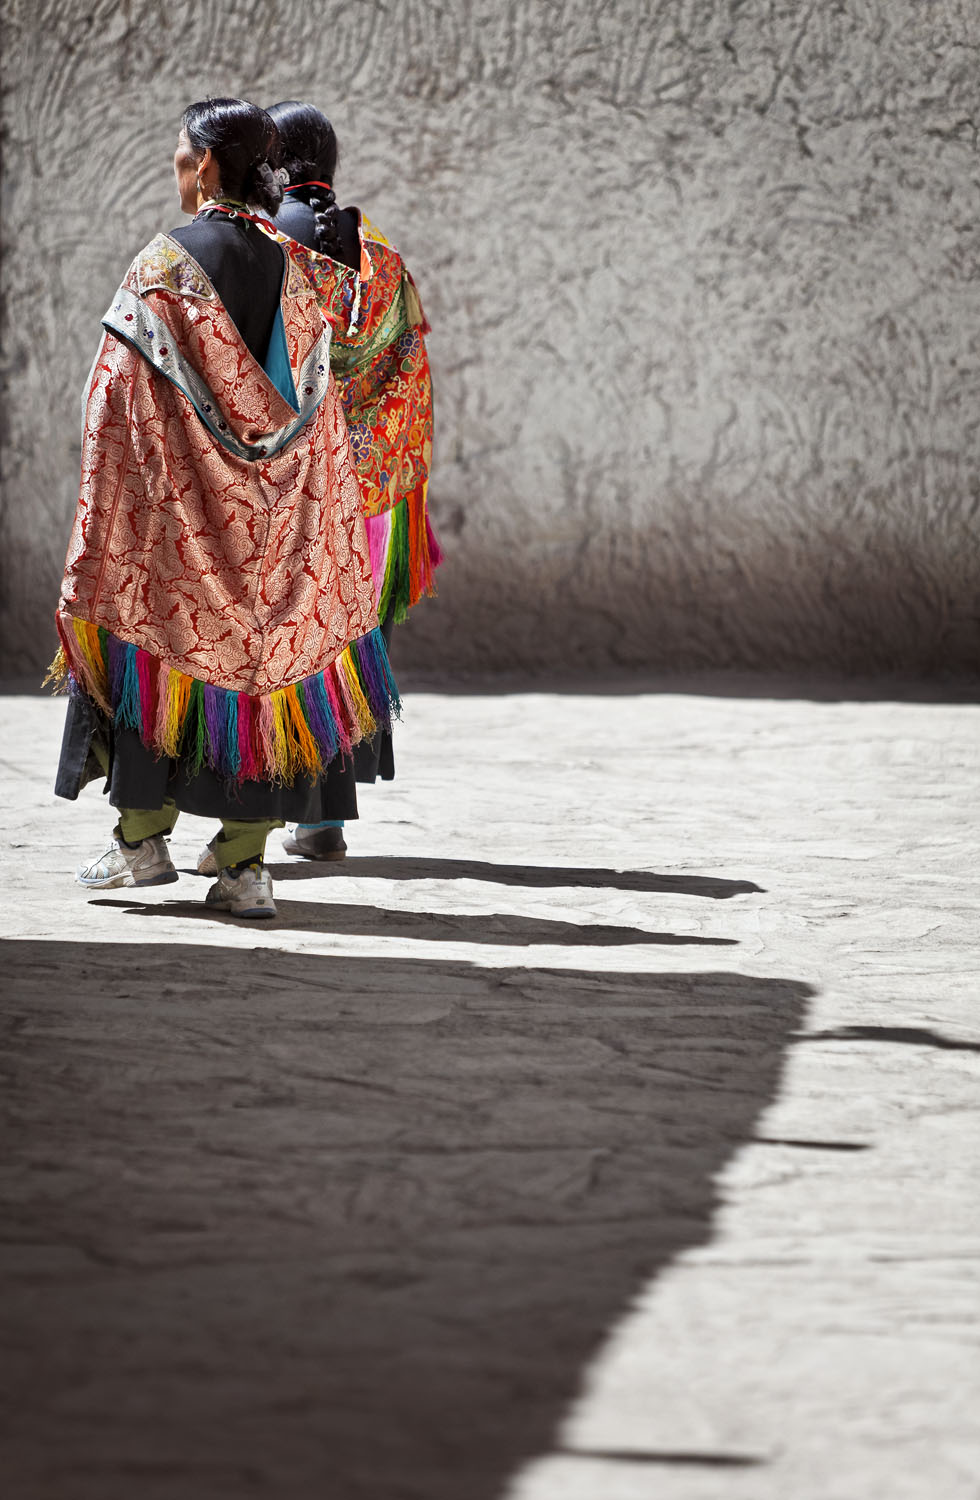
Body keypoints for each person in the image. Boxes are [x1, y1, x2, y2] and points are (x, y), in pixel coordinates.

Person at [51, 97, 398, 920]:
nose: (174, 165)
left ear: (206, 164)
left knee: (157, 649)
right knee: (257, 669)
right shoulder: (292, 267)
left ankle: (142, 845)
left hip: (177, 525)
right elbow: (320, 411)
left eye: (179, 153)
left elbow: (117, 404)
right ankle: (244, 869)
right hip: (276, 528)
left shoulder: (166, 264)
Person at [261, 99, 440, 862]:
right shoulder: (385, 259)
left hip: (295, 487)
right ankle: (324, 821)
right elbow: (413, 381)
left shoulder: (266, 250)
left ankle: (264, 819)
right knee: (345, 647)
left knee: (284, 648)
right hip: (374, 493)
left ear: (271, 166)